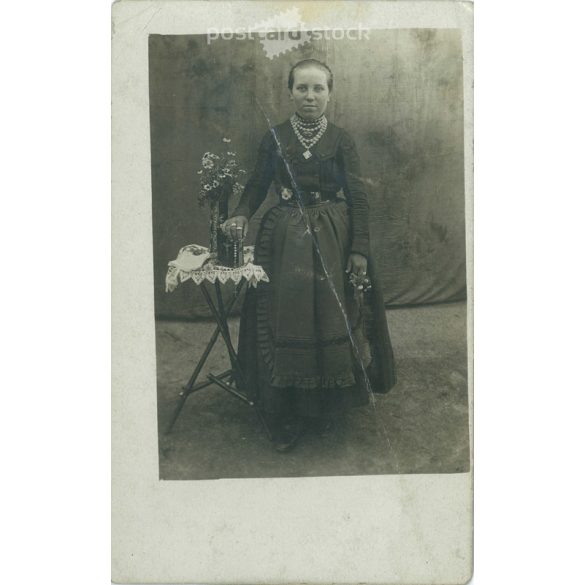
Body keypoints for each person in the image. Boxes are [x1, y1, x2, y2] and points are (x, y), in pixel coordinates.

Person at [224, 58, 396, 452]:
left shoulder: (341, 140)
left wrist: (359, 251)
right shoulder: (275, 137)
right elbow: (257, 184)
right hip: (283, 240)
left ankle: (325, 405)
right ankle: (286, 404)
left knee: (328, 316)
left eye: (319, 89)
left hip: (333, 238)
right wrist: (240, 214)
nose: (310, 96)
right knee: (288, 316)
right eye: (302, 88)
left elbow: (359, 199)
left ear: (330, 93)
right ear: (289, 92)